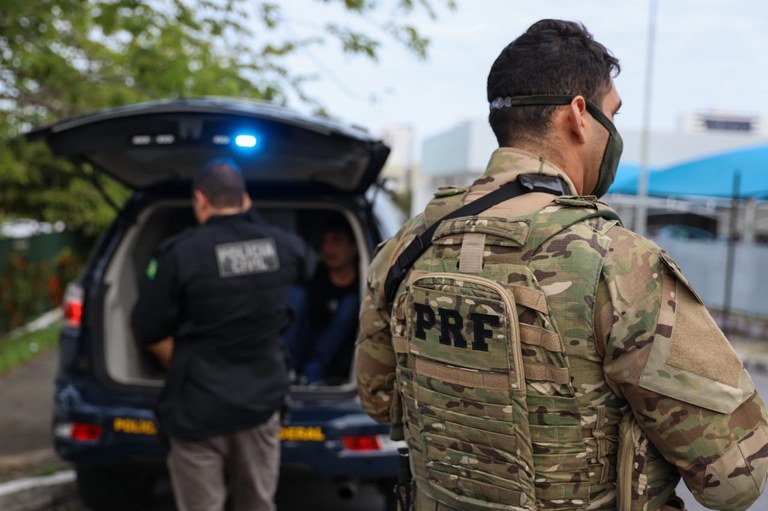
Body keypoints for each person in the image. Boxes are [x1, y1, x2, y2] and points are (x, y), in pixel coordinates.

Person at [355, 19, 768, 511]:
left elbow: (378, 400)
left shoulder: (406, 245)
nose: (613, 130)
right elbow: (737, 478)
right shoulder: (618, 262)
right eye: (611, 113)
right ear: (578, 114)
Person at [131, 158, 314, 511]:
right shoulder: (286, 246)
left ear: (200, 199)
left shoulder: (180, 252)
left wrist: (182, 360)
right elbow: (314, 286)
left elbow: (148, 327)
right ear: (245, 199)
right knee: (258, 504)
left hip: (197, 411)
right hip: (261, 405)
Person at [283, 217, 360, 385]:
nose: (329, 248)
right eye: (326, 242)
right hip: (305, 344)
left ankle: (312, 372)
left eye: (336, 242)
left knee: (351, 304)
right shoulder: (315, 277)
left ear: (353, 247)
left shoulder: (362, 284)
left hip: (336, 357)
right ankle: (288, 368)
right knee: (297, 294)